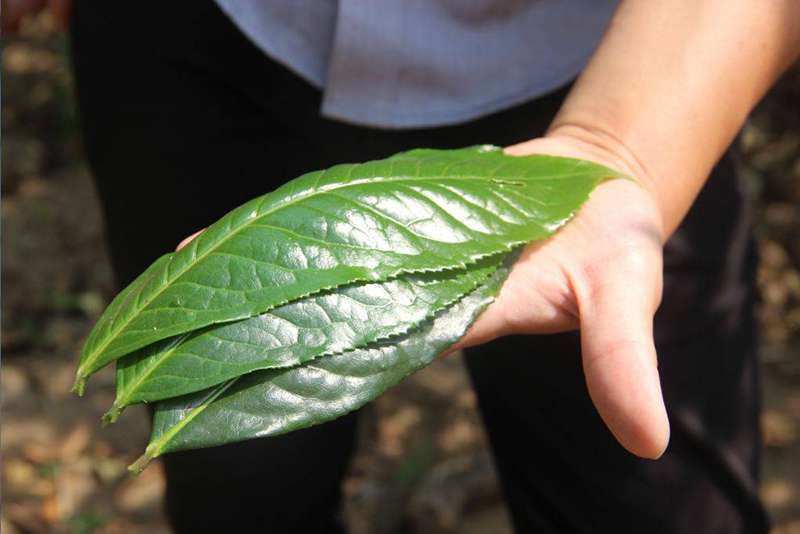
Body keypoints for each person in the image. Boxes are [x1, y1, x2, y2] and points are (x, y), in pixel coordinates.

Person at [7, 0, 800, 532]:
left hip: (620, 68)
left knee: (651, 502)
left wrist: (619, 148)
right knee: (237, 484)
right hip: (205, 46)